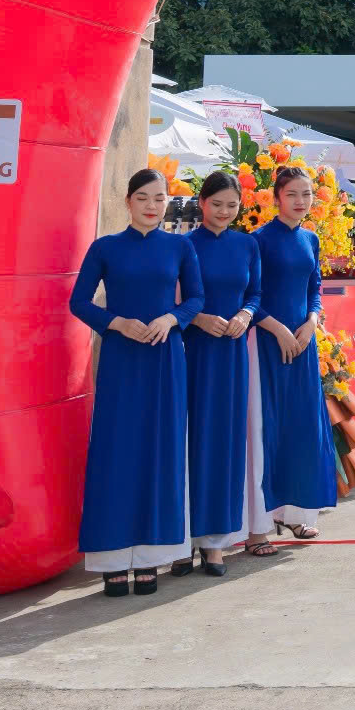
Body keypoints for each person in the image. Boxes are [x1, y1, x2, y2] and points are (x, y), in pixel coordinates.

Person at [69, 168, 202, 595]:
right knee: (116, 451)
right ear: (128, 201)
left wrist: (172, 318)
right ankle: (111, 559)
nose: (151, 206)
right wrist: (116, 323)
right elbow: (78, 301)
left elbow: (196, 298)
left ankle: (150, 557)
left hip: (165, 359)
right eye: (143, 197)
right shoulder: (105, 248)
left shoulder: (180, 246)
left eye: (159, 198)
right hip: (122, 360)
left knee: (161, 450)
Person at [183, 172, 263, 575]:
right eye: (217, 204)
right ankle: (183, 540)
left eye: (232, 205)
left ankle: (216, 543)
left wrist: (246, 315)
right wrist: (197, 318)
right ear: (202, 203)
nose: (224, 212)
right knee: (191, 441)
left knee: (227, 442)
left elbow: (255, 293)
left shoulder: (247, 245)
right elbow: (170, 297)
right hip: (193, 353)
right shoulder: (184, 245)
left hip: (232, 353)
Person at [253, 165, 336, 542]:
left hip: (303, 343)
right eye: (292, 194)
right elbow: (249, 295)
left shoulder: (311, 239)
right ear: (276, 199)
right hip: (268, 343)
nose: (300, 201)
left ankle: (298, 512)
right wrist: (278, 329)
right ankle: (265, 516)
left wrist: (312, 321)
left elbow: (314, 287)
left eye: (306, 194)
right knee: (270, 426)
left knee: (303, 426)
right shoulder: (258, 240)